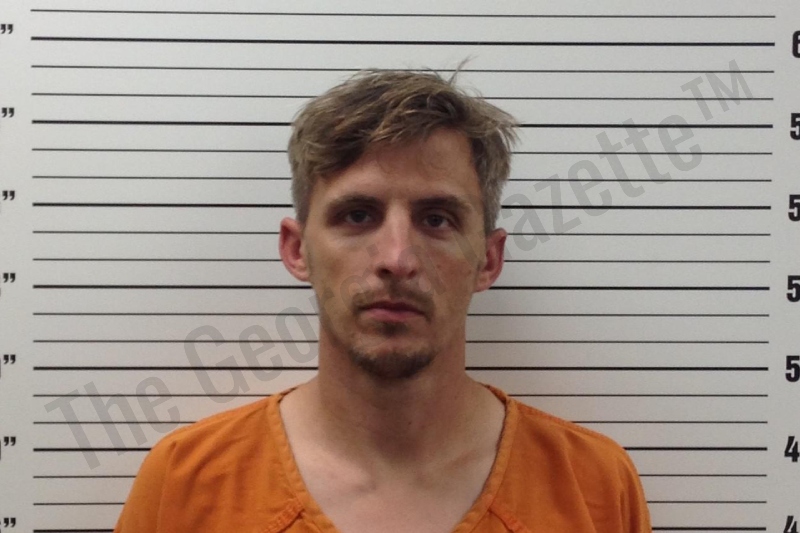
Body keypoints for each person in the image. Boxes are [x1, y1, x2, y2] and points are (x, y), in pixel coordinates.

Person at [114, 69, 652, 532]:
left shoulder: (595, 488)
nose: (397, 258)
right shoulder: (185, 484)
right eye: (358, 215)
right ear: (298, 250)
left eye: (437, 219)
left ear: (488, 260)